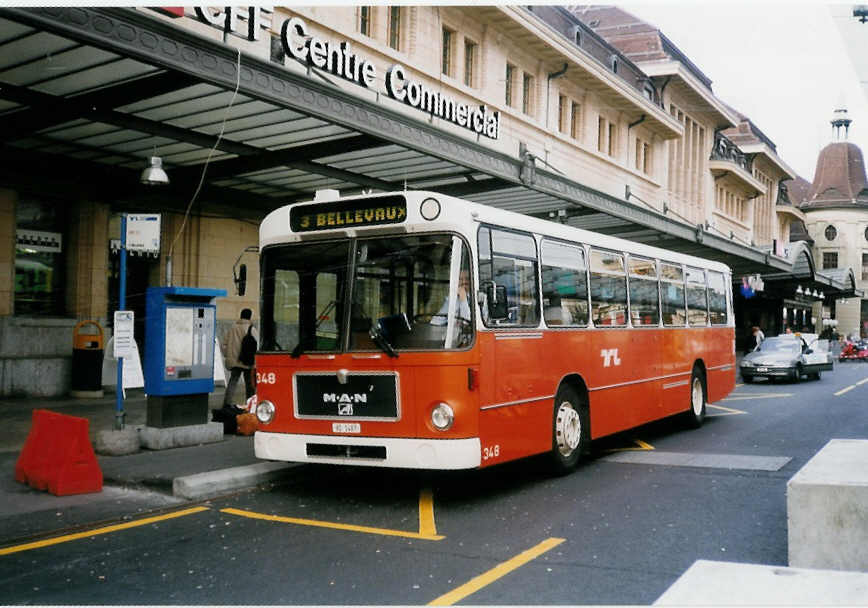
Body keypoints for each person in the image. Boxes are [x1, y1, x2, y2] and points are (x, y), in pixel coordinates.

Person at [223, 308, 257, 407]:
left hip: (234, 361)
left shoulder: (232, 328)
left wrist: (229, 355)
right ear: (250, 316)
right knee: (249, 384)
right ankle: (249, 403)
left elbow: (224, 344)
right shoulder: (252, 329)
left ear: (241, 315)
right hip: (247, 361)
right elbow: (256, 346)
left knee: (233, 382)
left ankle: (227, 403)